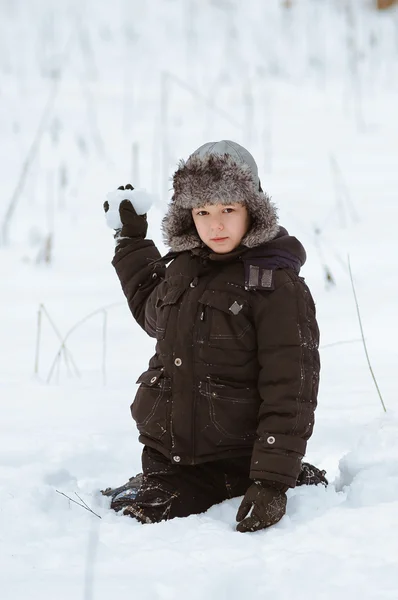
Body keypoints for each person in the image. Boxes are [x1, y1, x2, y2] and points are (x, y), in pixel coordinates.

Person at [103, 140, 327, 533]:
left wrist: (271, 483)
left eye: (228, 209)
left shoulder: (275, 285)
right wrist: (132, 241)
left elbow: (290, 388)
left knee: (140, 521)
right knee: (121, 510)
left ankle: (288, 474)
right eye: (203, 212)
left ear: (252, 210)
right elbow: (153, 316)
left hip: (233, 461)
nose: (215, 224)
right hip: (168, 458)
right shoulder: (185, 268)